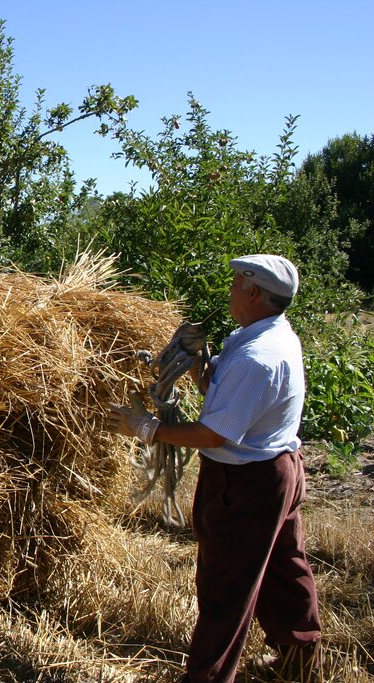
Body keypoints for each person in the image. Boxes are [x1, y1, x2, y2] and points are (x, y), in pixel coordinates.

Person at [105, 255, 322, 683]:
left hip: (247, 485)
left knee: (226, 588)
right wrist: (199, 361)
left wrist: (147, 428)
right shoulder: (266, 336)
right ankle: (298, 658)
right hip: (278, 471)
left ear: (253, 292)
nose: (231, 290)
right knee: (284, 569)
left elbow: (213, 434)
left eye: (236, 283)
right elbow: (222, 393)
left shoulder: (257, 357)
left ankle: (208, 676)